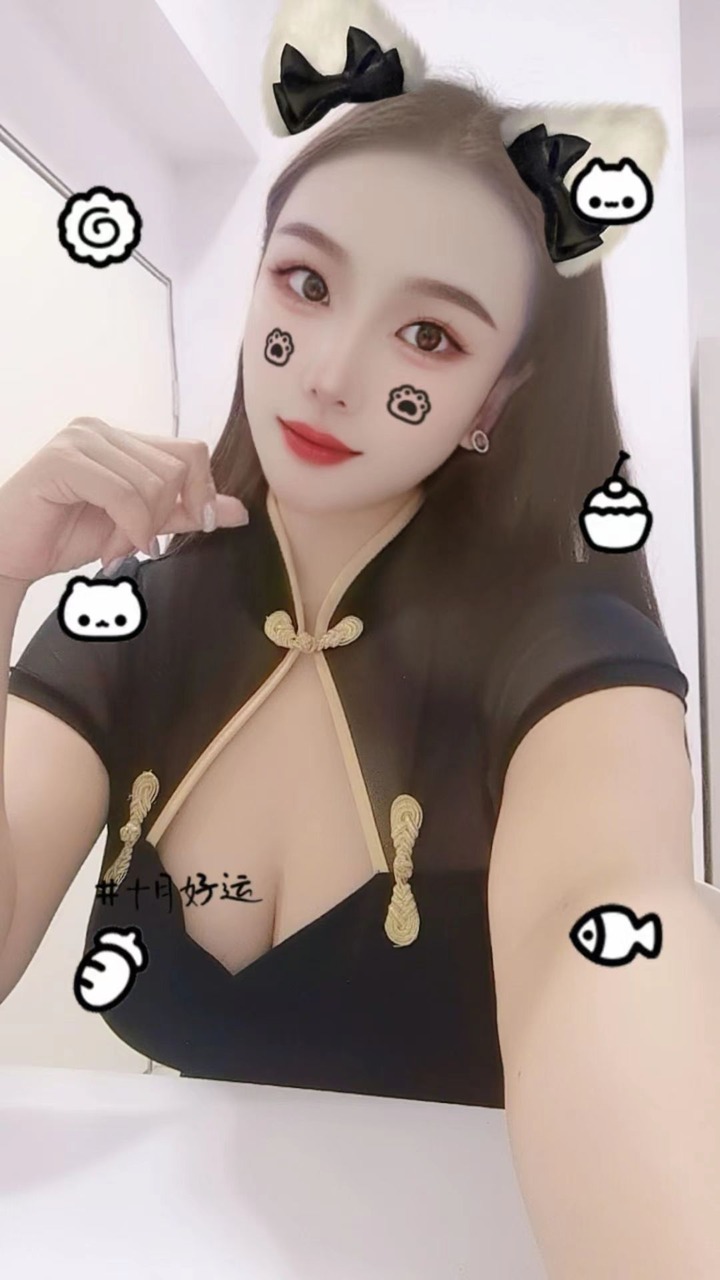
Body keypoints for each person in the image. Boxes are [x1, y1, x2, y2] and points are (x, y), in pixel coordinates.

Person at [0, 71, 689, 1105]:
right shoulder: (132, 619)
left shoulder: (571, 656)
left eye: (430, 335)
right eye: (307, 284)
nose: (329, 374)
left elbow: (629, 1023)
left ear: (494, 397)